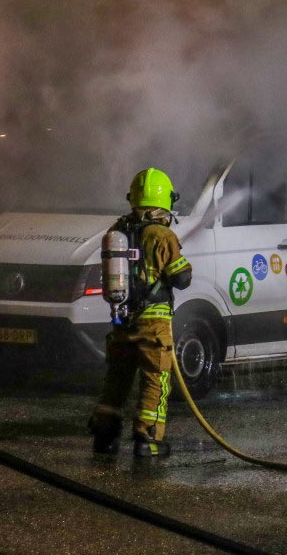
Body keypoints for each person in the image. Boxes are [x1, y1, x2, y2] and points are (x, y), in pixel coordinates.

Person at [88, 167, 192, 458]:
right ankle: (148, 439)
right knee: (155, 379)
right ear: (165, 200)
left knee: (117, 379)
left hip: (122, 320)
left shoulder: (117, 232)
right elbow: (182, 278)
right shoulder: (161, 235)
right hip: (154, 323)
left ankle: (104, 435)